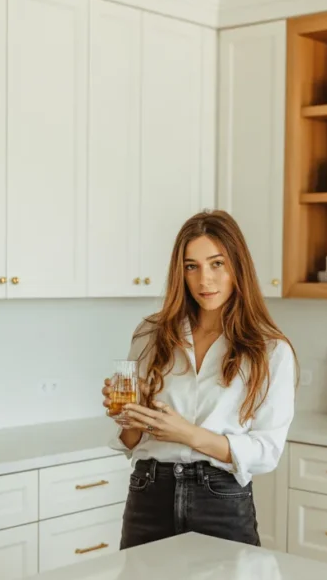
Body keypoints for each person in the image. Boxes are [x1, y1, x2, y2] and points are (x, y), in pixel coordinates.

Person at [103, 209, 297, 549]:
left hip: (220, 501)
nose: (204, 280)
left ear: (238, 266)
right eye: (191, 266)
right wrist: (133, 414)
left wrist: (186, 434)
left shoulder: (270, 350)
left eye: (216, 264)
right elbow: (132, 441)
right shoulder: (150, 334)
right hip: (149, 494)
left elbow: (266, 451)